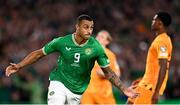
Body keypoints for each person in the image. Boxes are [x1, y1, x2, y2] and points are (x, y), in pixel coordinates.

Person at [5, 14, 138, 105]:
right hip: (59, 82)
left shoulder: (96, 48)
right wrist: (19, 66)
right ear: (77, 27)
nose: (89, 31)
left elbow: (109, 72)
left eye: (91, 27)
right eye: (86, 27)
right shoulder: (62, 42)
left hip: (78, 90)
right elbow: (39, 53)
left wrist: (123, 89)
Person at [127, 12, 172, 104]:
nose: (152, 22)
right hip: (145, 82)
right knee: (129, 103)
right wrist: (142, 79)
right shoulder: (161, 39)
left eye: (154, 20)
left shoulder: (162, 41)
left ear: (160, 23)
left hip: (150, 86)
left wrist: (156, 92)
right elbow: (155, 66)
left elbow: (163, 66)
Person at [81, 30, 120, 104]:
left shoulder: (110, 55)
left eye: (102, 37)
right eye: (98, 36)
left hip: (104, 93)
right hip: (88, 92)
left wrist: (105, 73)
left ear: (107, 42)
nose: (98, 38)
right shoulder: (87, 52)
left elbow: (117, 74)